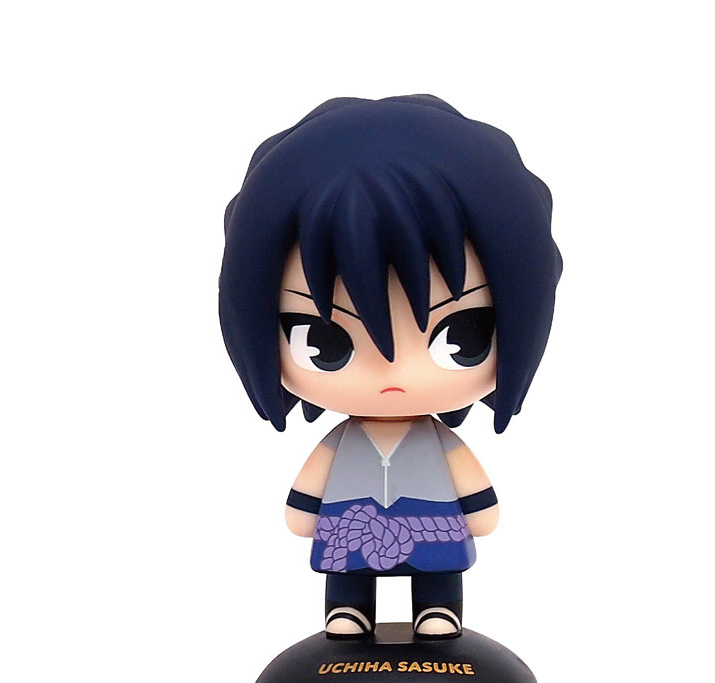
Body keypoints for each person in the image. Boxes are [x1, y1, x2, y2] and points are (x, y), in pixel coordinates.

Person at [219, 94, 562, 639]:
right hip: (352, 526)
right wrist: (304, 509)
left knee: (437, 568)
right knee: (348, 572)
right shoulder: (344, 444)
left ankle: (438, 609)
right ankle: (349, 611)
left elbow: (477, 501)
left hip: (430, 523)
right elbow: (305, 503)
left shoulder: (437, 444)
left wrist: (478, 507)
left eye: (460, 337)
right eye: (325, 341)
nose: (392, 372)